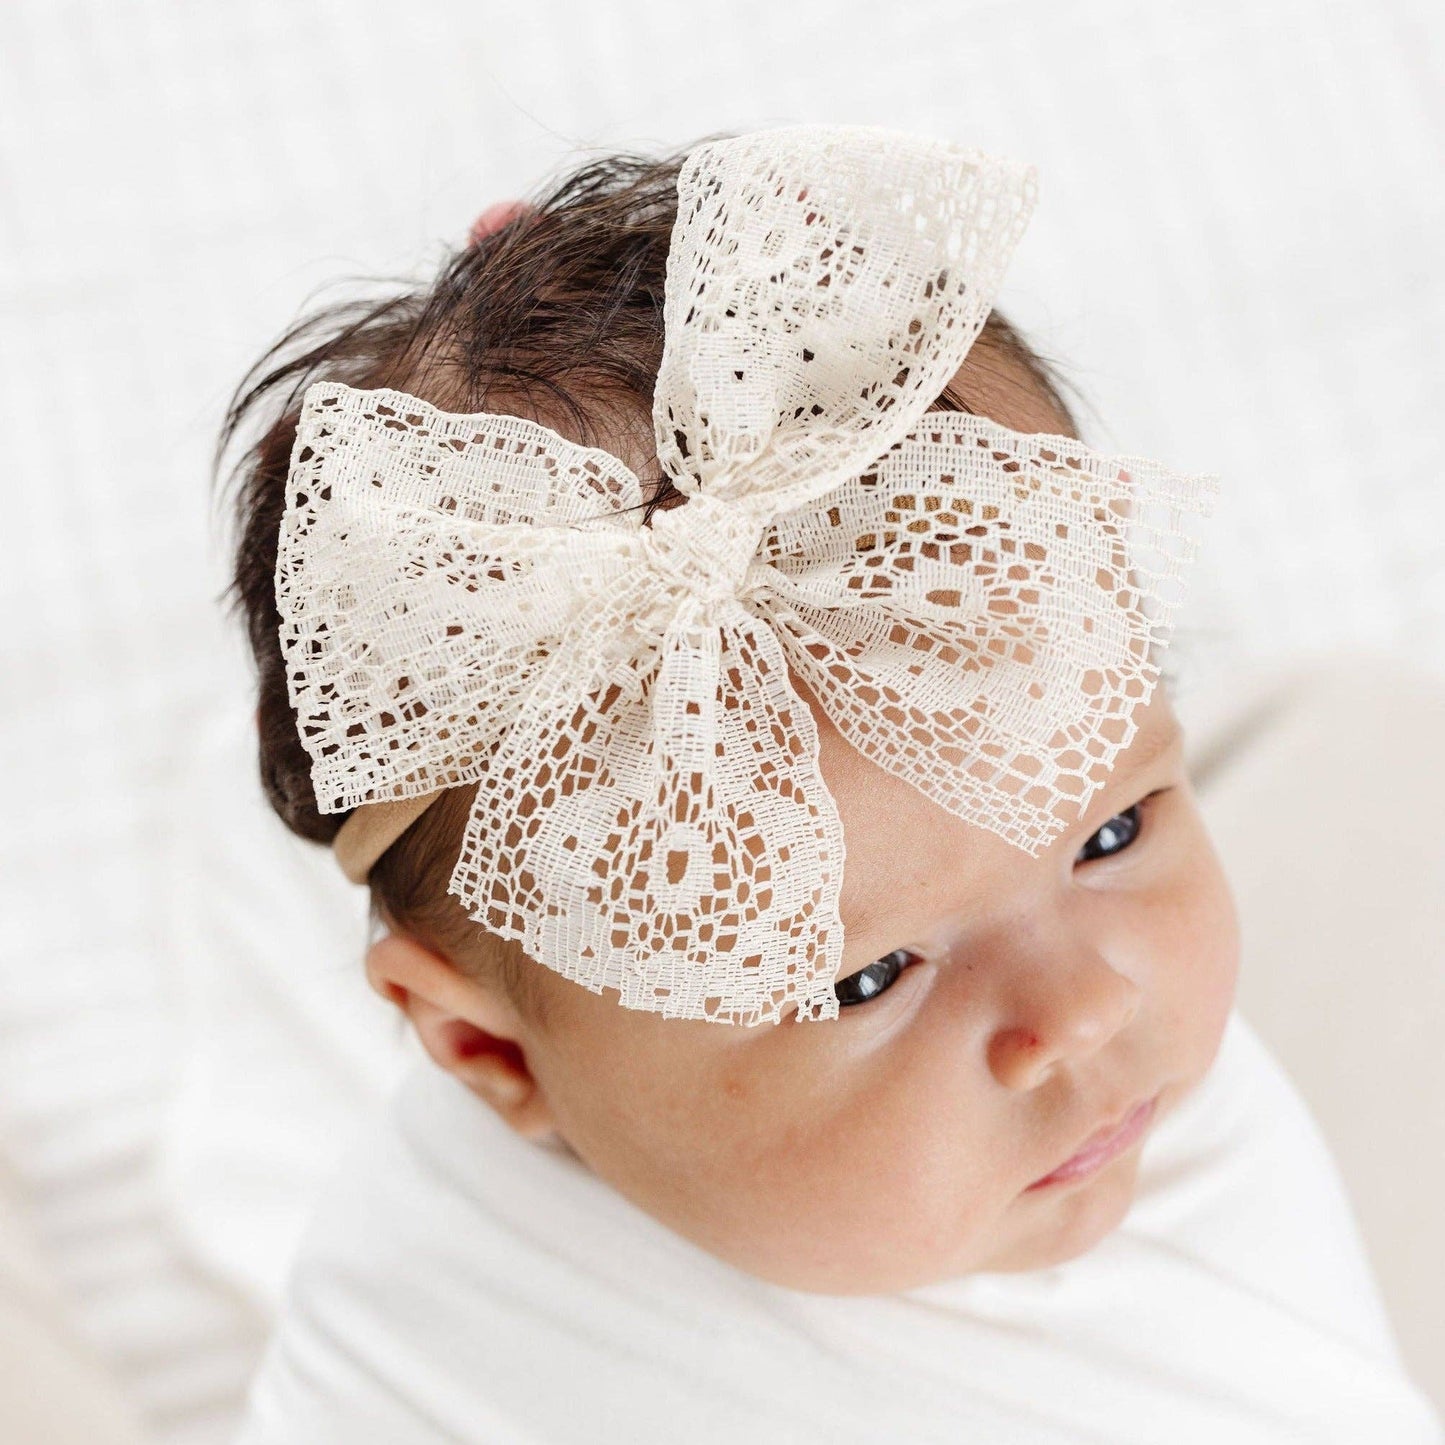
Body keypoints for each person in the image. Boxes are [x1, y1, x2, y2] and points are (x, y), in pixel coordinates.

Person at [218, 125, 1444, 1441]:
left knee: (1371, 734)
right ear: (485, 1046)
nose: (1083, 1006)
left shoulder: (1048, 1071)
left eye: (1113, 829)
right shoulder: (449, 1376)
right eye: (869, 976)